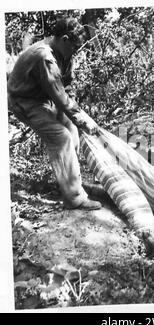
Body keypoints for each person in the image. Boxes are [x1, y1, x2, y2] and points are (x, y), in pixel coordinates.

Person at [7, 17, 102, 210]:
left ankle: (70, 183)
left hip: (43, 98)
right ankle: (74, 198)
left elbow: (67, 86)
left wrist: (77, 117)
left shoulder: (64, 51)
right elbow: (59, 95)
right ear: (64, 39)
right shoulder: (44, 56)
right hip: (25, 101)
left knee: (73, 130)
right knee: (62, 138)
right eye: (73, 47)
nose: (75, 51)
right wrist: (83, 118)